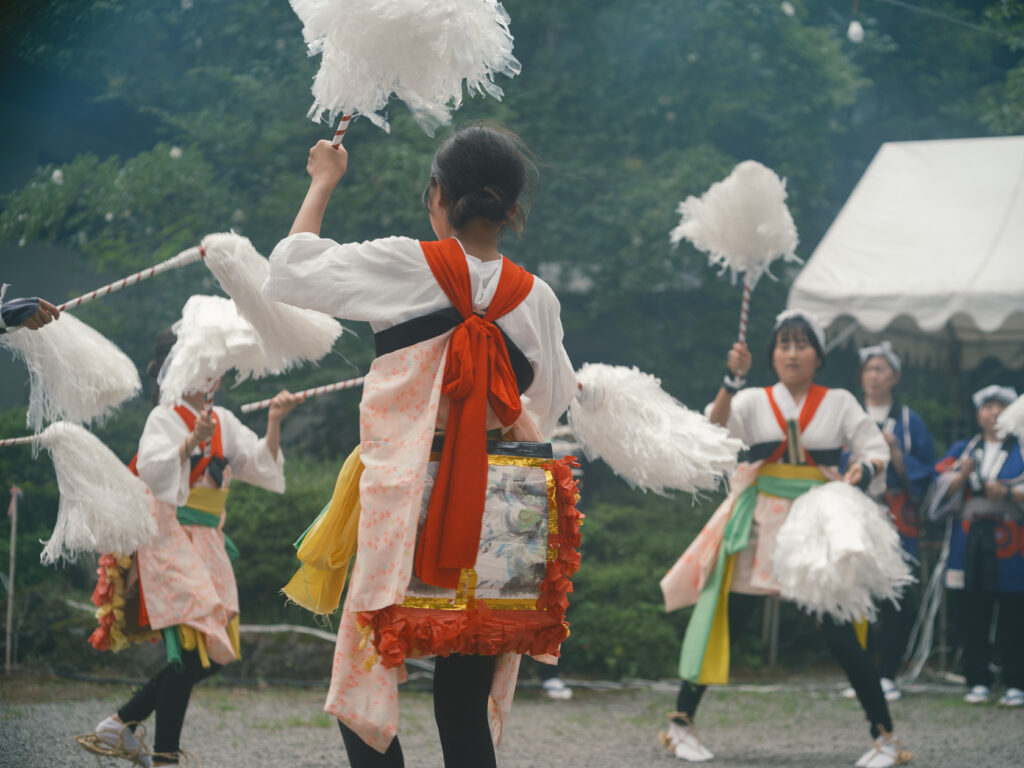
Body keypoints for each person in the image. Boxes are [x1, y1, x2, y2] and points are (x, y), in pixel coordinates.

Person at [264, 124, 578, 768]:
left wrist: (323, 179)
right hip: (504, 512)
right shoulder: (537, 298)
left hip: (410, 504)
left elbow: (289, 273)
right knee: (463, 708)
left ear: (438, 194)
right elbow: (548, 403)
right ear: (513, 208)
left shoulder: (405, 264)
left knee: (363, 688)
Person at [659, 310, 912, 767]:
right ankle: (680, 724)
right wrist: (730, 381)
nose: (791, 353)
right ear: (772, 354)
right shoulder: (752, 399)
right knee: (725, 619)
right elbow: (713, 430)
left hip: (817, 528)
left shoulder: (838, 401)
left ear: (819, 355)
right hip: (757, 524)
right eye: (783, 344)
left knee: (840, 634)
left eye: (801, 344)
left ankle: (885, 738)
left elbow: (873, 448)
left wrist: (865, 467)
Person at [77, 327, 301, 767]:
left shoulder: (224, 421)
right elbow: (155, 471)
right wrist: (189, 442)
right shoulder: (163, 418)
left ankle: (122, 723)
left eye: (214, 368)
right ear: (179, 371)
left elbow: (259, 465)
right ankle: (163, 757)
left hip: (208, 545)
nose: (211, 377)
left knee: (216, 652)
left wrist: (274, 421)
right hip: (169, 539)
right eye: (202, 368)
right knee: (188, 651)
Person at [839, 341, 935, 701]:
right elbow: (832, 460)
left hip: (895, 514)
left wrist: (895, 453)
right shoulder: (848, 415)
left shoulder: (910, 421)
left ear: (894, 376)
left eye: (880, 369)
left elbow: (928, 475)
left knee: (893, 592)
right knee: (854, 589)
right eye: (868, 369)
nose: (873, 376)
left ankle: (887, 673)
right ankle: (859, 672)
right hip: (854, 509)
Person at [935, 385, 1024, 708]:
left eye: (1002, 407)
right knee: (973, 610)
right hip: (970, 540)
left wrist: (1010, 494)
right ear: (978, 414)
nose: (995, 413)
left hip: (1013, 541)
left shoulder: (1022, 448)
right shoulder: (964, 448)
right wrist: (960, 477)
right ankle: (977, 679)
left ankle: (1016, 681)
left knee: (1014, 611)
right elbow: (938, 486)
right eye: (988, 407)